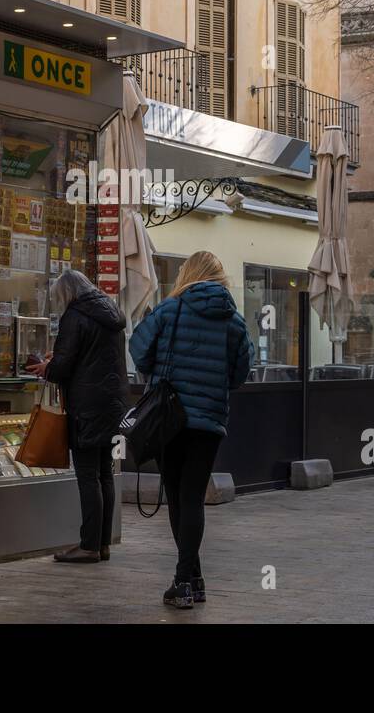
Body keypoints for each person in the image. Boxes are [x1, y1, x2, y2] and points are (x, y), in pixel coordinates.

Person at [128, 250, 253, 608]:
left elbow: (139, 351)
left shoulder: (170, 309)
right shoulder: (234, 320)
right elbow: (241, 373)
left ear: (188, 274)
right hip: (209, 421)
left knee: (177, 497)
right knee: (192, 497)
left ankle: (184, 581)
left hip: (169, 418)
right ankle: (192, 579)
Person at [27, 269, 126, 564]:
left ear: (67, 294)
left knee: (87, 476)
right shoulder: (111, 314)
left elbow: (63, 367)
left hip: (86, 406)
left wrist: (47, 367)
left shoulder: (75, 316)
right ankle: (102, 543)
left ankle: (89, 546)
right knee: (105, 474)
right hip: (113, 403)